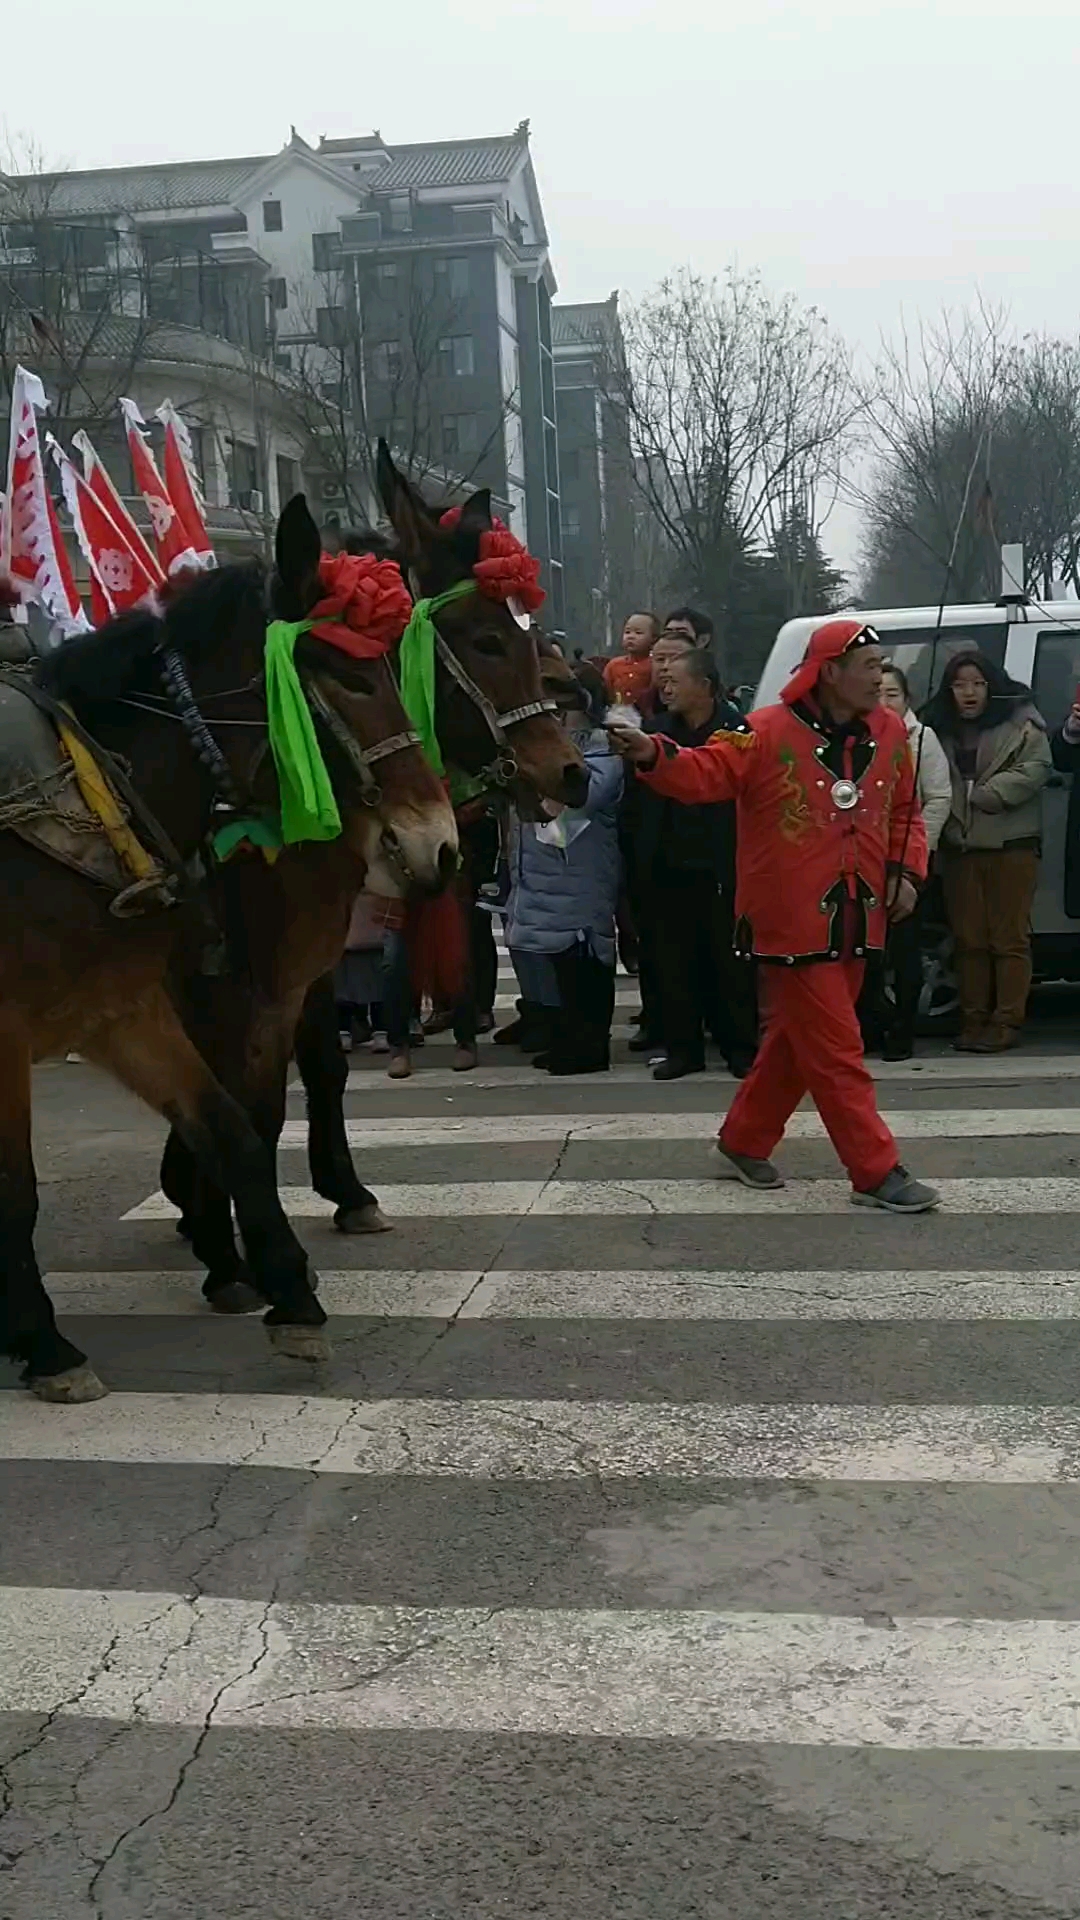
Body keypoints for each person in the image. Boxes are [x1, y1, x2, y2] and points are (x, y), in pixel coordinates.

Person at [610, 617, 938, 1213]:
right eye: (867, 668)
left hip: (861, 914)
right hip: (788, 920)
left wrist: (906, 871)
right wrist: (654, 754)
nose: (880, 678)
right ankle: (875, 1171)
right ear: (830, 672)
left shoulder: (891, 732)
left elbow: (906, 812)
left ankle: (744, 1138)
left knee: (796, 1044)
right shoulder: (761, 731)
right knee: (839, 1048)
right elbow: (703, 772)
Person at [624, 649, 757, 1080]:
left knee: (730, 963)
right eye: (662, 681)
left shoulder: (736, 731)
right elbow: (637, 801)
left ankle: (740, 1047)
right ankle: (683, 1051)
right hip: (667, 865)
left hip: (722, 867)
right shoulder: (655, 733)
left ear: (705, 684)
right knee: (673, 963)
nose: (665, 687)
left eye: (674, 680)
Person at [924, 649, 1051, 1053]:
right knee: (968, 941)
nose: (969, 693)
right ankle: (973, 1018)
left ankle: (1007, 1022)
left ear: (991, 686)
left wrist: (989, 793)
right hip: (960, 848)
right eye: (960, 685)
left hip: (1010, 846)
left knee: (1009, 939)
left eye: (977, 684)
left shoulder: (1022, 722)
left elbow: (1037, 768)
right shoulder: (937, 729)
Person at [505, 667, 623, 1075]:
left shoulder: (603, 747)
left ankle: (590, 1046)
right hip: (541, 870)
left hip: (582, 871)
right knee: (556, 960)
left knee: (586, 958)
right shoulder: (536, 745)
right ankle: (565, 1037)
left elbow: (581, 800)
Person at [863, 662, 952, 1060]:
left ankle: (903, 1029)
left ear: (907, 699)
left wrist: (917, 852)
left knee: (904, 951)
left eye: (892, 694)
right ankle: (871, 1025)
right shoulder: (853, 736)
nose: (883, 701)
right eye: (876, 693)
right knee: (866, 953)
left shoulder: (921, 738)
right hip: (861, 859)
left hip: (907, 860)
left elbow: (938, 799)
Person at [603, 612, 659, 711]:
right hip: (618, 714)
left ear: (654, 638)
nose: (631, 636)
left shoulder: (655, 664)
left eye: (638, 633)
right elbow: (605, 691)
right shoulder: (614, 665)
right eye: (627, 632)